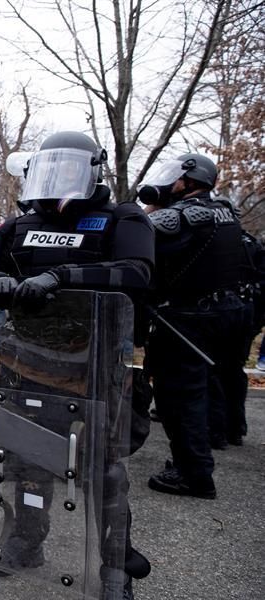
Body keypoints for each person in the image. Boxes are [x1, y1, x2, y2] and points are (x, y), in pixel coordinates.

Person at [0, 131, 154, 599]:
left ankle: (115, 567)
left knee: (102, 468)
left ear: (92, 171)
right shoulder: (18, 225)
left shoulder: (121, 218)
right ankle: (25, 542)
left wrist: (62, 276)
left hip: (94, 364)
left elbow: (137, 272)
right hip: (25, 363)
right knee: (28, 458)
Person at [140, 153, 251, 497]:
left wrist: (147, 212)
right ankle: (203, 455)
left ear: (187, 182)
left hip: (189, 319)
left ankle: (194, 474)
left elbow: (139, 237)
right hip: (228, 313)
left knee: (179, 400)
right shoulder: (225, 210)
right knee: (209, 387)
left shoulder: (182, 216)